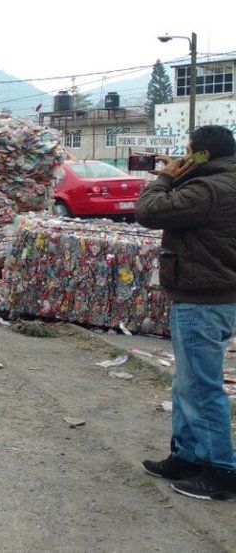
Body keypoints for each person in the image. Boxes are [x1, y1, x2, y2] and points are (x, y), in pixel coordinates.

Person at [135, 124, 236, 501]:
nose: (182, 156)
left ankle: (221, 471)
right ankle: (188, 456)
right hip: (212, 294)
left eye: (188, 151)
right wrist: (183, 172)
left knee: (200, 386)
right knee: (187, 383)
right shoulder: (220, 181)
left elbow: (147, 211)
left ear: (203, 155)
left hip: (202, 297)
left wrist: (164, 177)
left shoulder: (207, 189)